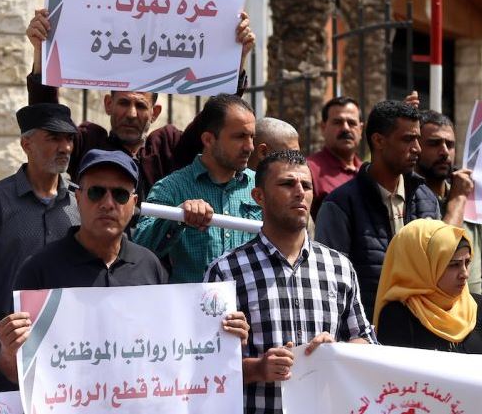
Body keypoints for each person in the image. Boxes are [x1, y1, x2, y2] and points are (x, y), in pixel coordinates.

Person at [0, 150, 250, 385]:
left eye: (120, 195)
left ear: (133, 202)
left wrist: (222, 340)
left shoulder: (149, 266)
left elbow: (173, 352)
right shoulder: (39, 269)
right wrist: (8, 352)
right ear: (78, 197)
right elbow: (15, 371)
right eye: (96, 192)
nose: (108, 203)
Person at [24, 8, 256, 201]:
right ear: (108, 104)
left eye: (141, 106)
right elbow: (48, 121)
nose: (132, 114)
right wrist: (41, 51)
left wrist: (235, 58)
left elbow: (214, 117)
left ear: (155, 112)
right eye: (124, 103)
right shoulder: (88, 144)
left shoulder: (169, 148)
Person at [205, 150, 374, 414]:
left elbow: (365, 340)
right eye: (287, 184)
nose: (299, 192)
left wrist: (337, 351)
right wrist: (258, 368)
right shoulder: (227, 271)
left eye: (306, 185)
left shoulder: (339, 267)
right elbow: (204, 366)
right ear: (258, 196)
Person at [0, 103, 80, 391]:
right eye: (53, 138)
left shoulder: (80, 204)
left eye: (69, 139)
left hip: (73, 353)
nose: (65, 147)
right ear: (26, 144)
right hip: (10, 356)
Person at [316, 100, 440, 318]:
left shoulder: (427, 199)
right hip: (365, 330)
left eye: (418, 139)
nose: (417, 148)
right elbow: (330, 283)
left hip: (423, 327)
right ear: (379, 140)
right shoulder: (341, 204)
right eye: (408, 139)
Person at [132, 94, 262, 283]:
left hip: (252, 300)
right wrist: (177, 217)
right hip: (193, 301)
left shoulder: (261, 186)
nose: (250, 147)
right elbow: (139, 249)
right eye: (240, 137)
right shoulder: (171, 188)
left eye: (252, 137)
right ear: (208, 139)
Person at [374, 219, 482, 356]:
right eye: (454, 265)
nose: (465, 274)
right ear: (423, 266)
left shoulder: (480, 309)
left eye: (467, 263)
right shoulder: (398, 316)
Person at [415, 110, 481, 293]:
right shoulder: (408, 198)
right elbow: (441, 250)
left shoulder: (468, 192)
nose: (444, 151)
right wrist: (458, 199)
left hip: (473, 307)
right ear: (416, 146)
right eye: (434, 143)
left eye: (450, 144)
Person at [307, 96, 364, 219]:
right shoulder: (309, 170)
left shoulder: (367, 172)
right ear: (323, 128)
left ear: (361, 129)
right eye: (337, 122)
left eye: (352, 123)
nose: (346, 128)